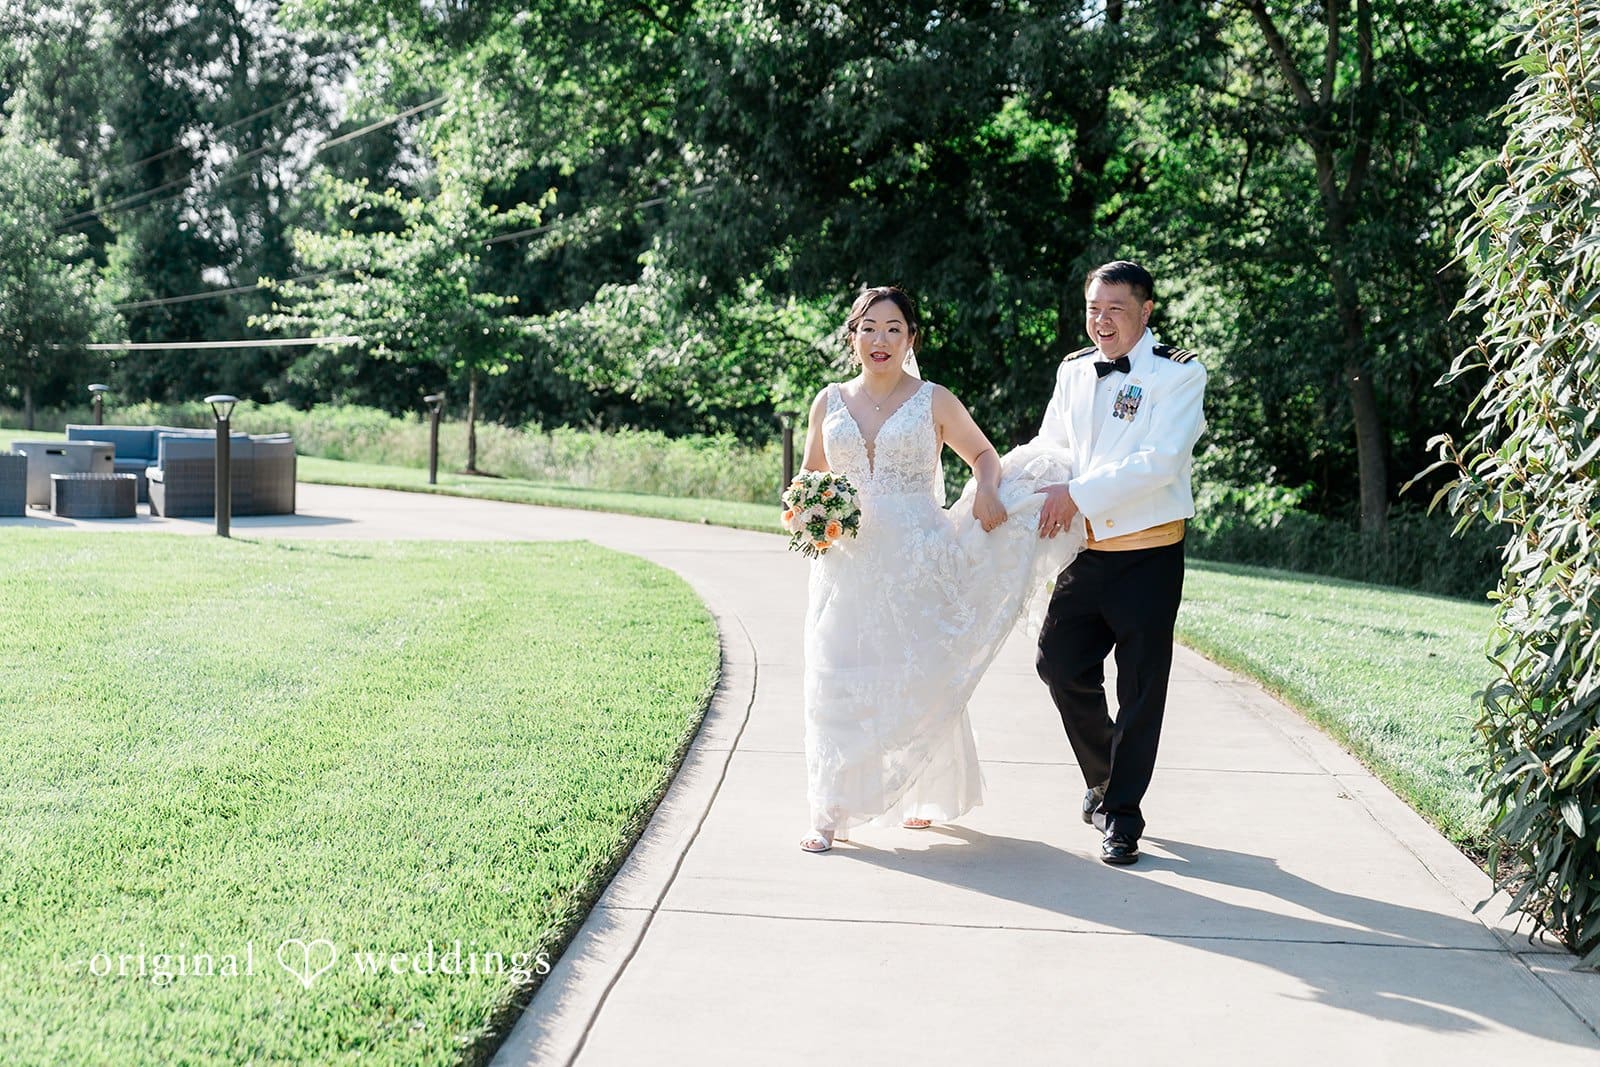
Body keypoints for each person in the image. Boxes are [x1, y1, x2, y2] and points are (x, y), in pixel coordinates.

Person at [797, 285, 1083, 853]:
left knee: (921, 676)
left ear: (912, 339)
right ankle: (828, 811)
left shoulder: (934, 400)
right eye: (869, 328)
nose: (880, 340)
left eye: (893, 329)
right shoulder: (828, 402)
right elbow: (809, 475)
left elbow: (984, 455)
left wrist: (987, 490)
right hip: (845, 562)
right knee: (835, 678)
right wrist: (808, 512)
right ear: (852, 336)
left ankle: (923, 792)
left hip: (918, 559)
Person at [1032, 260, 1207, 866]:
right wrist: (1004, 483)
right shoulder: (1074, 370)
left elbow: (1159, 462)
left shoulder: (1179, 374)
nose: (1101, 322)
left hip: (1148, 557)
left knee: (1139, 691)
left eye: (1115, 310)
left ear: (1146, 311)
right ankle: (1107, 775)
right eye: (1093, 309)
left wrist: (1077, 494)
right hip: (1084, 552)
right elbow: (1052, 447)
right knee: (1058, 664)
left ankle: (1123, 819)